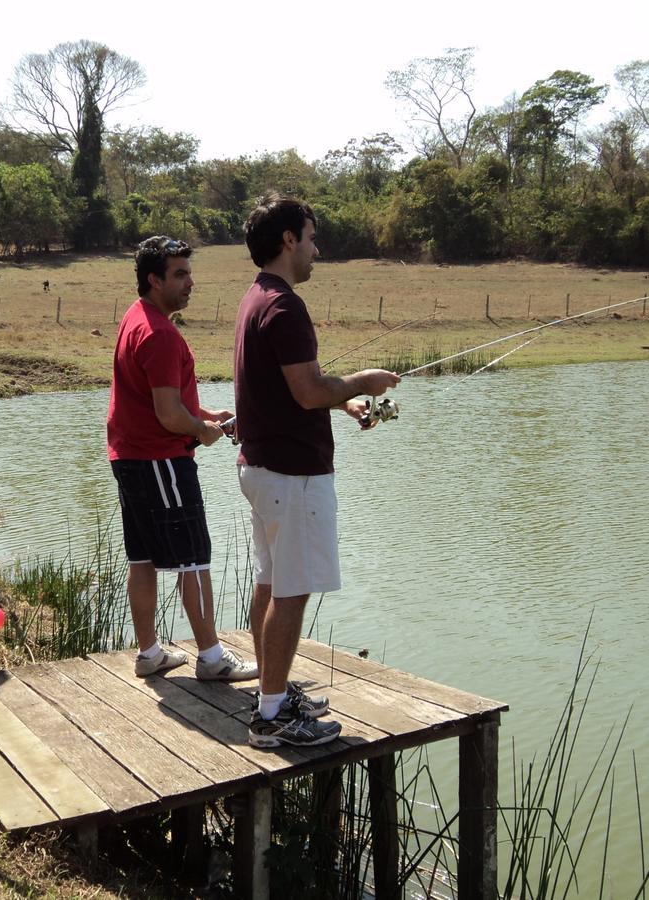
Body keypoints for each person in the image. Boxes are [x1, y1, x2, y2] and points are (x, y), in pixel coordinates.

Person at [234, 195, 400, 748]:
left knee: (270, 581)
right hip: (291, 476)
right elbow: (308, 389)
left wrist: (341, 402)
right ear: (288, 240)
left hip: (262, 471)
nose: (315, 248)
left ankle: (271, 694)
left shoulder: (256, 298)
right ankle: (272, 718)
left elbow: (295, 389)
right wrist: (360, 383)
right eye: (310, 236)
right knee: (292, 592)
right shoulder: (284, 306)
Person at [107, 235, 258, 682]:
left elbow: (160, 400)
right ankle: (212, 658)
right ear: (154, 280)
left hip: (131, 457)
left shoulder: (138, 317)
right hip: (161, 462)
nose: (191, 282)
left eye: (189, 272)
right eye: (180, 274)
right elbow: (170, 415)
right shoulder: (160, 335)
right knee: (193, 557)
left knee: (143, 558)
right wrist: (204, 431)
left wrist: (209, 415)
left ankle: (149, 652)